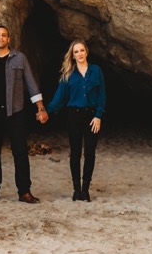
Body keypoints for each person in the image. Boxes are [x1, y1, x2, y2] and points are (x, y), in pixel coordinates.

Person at [0, 25, 47, 203]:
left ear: (8, 39)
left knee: (20, 152)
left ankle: (24, 192)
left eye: (4, 35)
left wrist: (40, 108)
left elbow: (31, 84)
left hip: (16, 112)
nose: (0, 38)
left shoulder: (19, 59)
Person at [42, 39, 106, 202]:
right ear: (72, 55)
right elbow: (59, 98)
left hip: (92, 116)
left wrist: (98, 115)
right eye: (76, 51)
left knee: (90, 153)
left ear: (87, 52)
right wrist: (46, 112)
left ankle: (86, 190)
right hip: (74, 116)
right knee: (75, 153)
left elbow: (102, 95)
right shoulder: (68, 74)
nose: (79, 54)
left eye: (82, 50)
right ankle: (76, 190)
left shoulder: (96, 71)